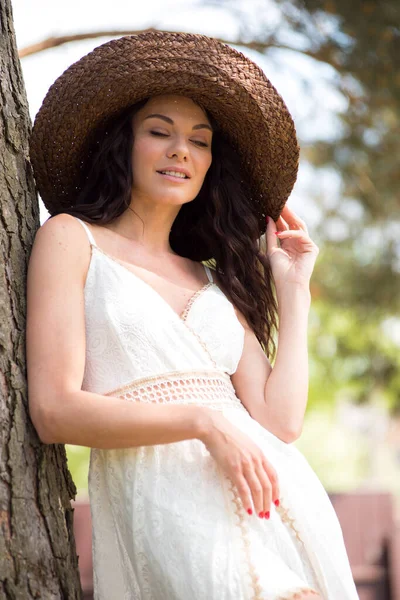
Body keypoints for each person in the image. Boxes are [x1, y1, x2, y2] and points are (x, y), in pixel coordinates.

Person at [26, 31, 359, 600]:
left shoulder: (211, 280)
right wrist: (204, 424)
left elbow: (279, 424)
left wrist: (293, 290)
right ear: (122, 145)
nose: (182, 151)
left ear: (209, 165)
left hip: (273, 498)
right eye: (159, 132)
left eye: (199, 142)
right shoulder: (71, 239)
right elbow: (55, 411)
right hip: (164, 499)